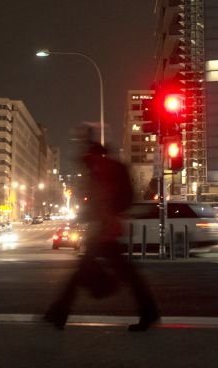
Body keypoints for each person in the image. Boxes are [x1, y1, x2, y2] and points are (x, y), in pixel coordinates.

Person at [43, 142, 159, 332]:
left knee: (113, 272)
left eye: (88, 157)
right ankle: (59, 313)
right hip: (105, 229)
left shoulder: (103, 170)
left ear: (94, 155)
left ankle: (59, 313)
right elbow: (110, 200)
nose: (86, 162)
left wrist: (103, 217)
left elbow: (105, 200)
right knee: (121, 273)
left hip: (105, 230)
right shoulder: (106, 170)